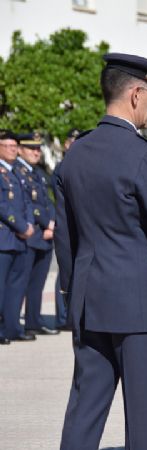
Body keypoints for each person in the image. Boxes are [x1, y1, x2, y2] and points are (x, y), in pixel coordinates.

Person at [55, 53, 147, 450]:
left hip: (90, 302)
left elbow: (66, 238)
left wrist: (73, 294)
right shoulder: (146, 154)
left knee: (84, 412)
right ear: (136, 95)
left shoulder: (75, 154)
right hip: (139, 305)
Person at [14, 132, 58, 336]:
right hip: (30, 235)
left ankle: (34, 320)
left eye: (38, 148)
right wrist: (46, 223)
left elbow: (47, 201)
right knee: (19, 284)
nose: (36, 152)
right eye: (31, 148)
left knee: (37, 284)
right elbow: (28, 204)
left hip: (45, 235)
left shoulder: (37, 173)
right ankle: (11, 324)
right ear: (20, 149)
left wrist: (54, 223)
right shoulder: (17, 171)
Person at [0, 129, 36, 343]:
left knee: (16, 287)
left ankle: (13, 327)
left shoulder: (16, 173)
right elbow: (2, 206)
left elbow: (28, 203)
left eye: (15, 146)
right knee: (1, 287)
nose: (13, 149)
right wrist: (23, 226)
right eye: (8, 146)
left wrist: (30, 224)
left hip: (20, 238)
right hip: (5, 237)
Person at [53, 128, 81, 331]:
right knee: (65, 272)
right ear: (65, 144)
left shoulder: (81, 165)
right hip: (68, 226)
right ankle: (64, 314)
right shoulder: (62, 168)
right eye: (72, 140)